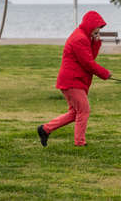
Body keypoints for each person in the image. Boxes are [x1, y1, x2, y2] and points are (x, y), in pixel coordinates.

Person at [37, 11, 111, 147]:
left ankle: (45, 129)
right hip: (72, 81)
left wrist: (96, 42)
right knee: (84, 110)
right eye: (97, 27)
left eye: (100, 28)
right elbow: (88, 63)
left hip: (75, 80)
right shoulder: (80, 38)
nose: (98, 30)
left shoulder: (84, 36)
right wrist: (105, 74)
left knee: (74, 113)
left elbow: (89, 57)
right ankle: (80, 143)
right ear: (90, 25)